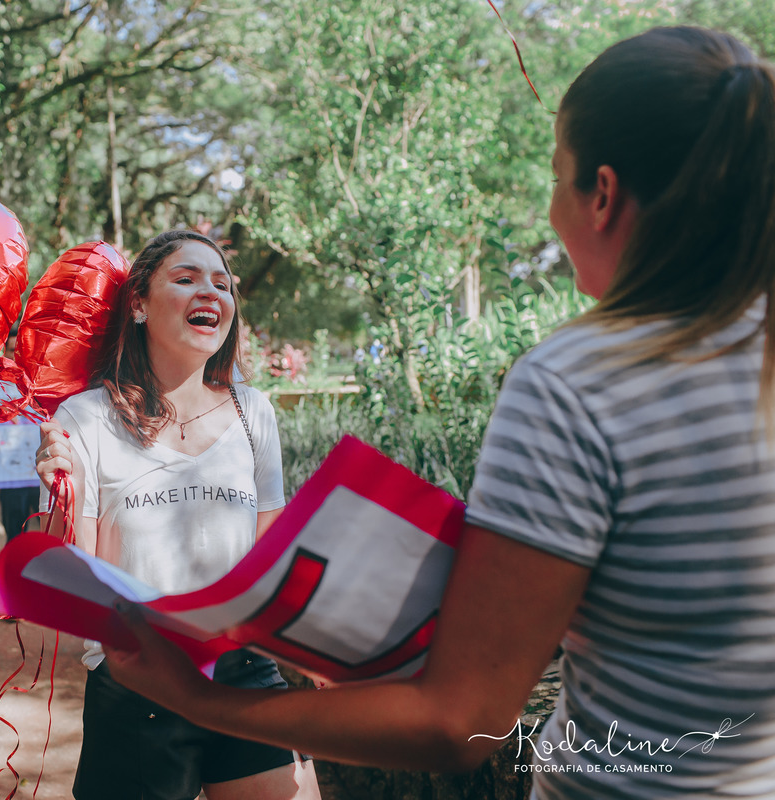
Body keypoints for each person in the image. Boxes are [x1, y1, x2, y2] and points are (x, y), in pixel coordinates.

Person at [99, 26, 775, 799]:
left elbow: (461, 723)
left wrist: (200, 701)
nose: (551, 208)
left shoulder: (577, 386)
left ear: (603, 195)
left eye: (555, 178)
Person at [35, 230, 320, 800]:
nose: (208, 292)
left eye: (221, 283)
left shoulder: (253, 411)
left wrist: (311, 650)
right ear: (138, 303)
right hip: (138, 681)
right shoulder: (84, 419)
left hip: (243, 671)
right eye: (186, 278)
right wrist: (61, 495)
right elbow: (73, 587)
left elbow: (272, 553)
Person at [0, 328, 40, 543]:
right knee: (15, 536)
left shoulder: (43, 385)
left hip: (43, 474)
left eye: (22, 350)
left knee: (51, 535)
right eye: (13, 350)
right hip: (11, 475)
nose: (18, 356)